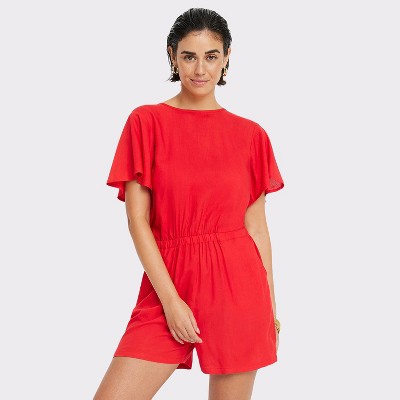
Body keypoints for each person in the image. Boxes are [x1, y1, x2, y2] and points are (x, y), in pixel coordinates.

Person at [94, 7, 285, 400]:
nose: (200, 69)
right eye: (189, 56)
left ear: (227, 57)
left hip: (237, 286)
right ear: (172, 56)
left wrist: (270, 309)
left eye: (211, 56)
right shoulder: (145, 122)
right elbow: (137, 220)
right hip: (167, 281)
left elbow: (256, 228)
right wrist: (171, 301)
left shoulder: (252, 136)